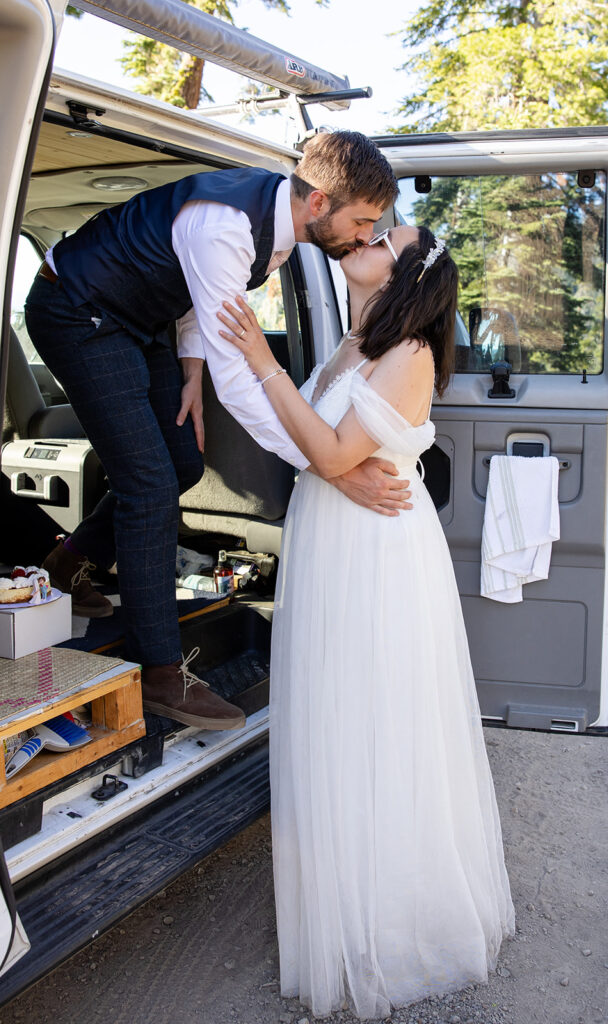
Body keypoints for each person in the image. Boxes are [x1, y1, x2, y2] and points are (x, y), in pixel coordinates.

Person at [217, 224, 515, 1018]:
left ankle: (390, 922)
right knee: (333, 712)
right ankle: (340, 894)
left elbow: (336, 452)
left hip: (376, 555)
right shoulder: (352, 342)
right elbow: (319, 449)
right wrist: (332, 466)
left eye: (386, 235)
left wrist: (263, 362)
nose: (365, 235)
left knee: (376, 718)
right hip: (331, 533)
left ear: (409, 270)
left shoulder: (410, 352)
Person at [24, 131, 408, 732]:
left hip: (137, 318)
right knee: (149, 484)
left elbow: (199, 304)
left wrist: (189, 373)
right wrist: (325, 462)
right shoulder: (226, 226)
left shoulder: (281, 230)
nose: (366, 236)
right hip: (76, 311)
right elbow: (241, 381)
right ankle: (161, 672)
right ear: (319, 203)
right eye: (362, 220)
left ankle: (68, 563)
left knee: (181, 464)